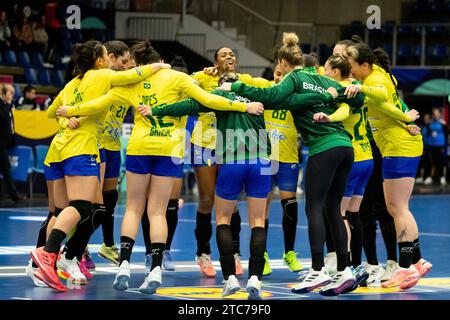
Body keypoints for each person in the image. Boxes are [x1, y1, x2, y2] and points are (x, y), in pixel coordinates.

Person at [57, 41, 263, 295]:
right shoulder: (178, 78)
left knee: (133, 208)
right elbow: (209, 99)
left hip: (140, 148)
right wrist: (245, 106)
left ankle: (123, 265)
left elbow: (100, 103)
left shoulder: (133, 84)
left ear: (142, 65)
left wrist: (70, 110)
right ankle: (155, 267)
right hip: (169, 150)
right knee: (157, 212)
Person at [222, 32, 366, 296]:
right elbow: (356, 98)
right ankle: (344, 271)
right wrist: (355, 91)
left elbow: (272, 96)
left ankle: (319, 270)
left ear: (282, 62)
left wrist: (235, 87)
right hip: (346, 148)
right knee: (334, 210)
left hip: (324, 148)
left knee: (314, 208)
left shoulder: (295, 78)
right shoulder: (323, 78)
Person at [30, 40, 170, 291]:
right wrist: (160, 67)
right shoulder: (105, 76)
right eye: (112, 57)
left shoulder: (73, 82)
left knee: (64, 210)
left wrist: (67, 118)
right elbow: (137, 73)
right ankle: (53, 254)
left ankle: (45, 262)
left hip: (60, 149)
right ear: (103, 60)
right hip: (83, 148)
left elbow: (54, 111)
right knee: (84, 206)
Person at [145, 72, 270, 299]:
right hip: (261, 160)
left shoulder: (217, 97)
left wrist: (156, 110)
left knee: (222, 218)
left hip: (232, 160)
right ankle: (255, 279)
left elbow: (185, 106)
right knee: (258, 221)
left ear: (221, 86)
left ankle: (230, 278)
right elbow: (284, 95)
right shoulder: (253, 94)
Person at [345, 42, 431, 289]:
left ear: (364, 65)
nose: (349, 70)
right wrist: (405, 117)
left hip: (398, 147)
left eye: (352, 65)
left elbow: (381, 96)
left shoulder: (373, 81)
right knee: (399, 207)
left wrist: (360, 86)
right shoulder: (378, 74)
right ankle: (417, 261)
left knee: (397, 208)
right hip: (399, 145)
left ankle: (405, 267)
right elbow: (386, 105)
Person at [189, 47, 269, 278]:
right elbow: (183, 82)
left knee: (230, 203)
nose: (229, 57)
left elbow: (270, 86)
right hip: (204, 143)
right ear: (214, 61)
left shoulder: (243, 80)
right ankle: (203, 253)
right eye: (223, 55)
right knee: (206, 199)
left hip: (231, 145)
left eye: (232, 54)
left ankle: (234, 253)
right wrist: (201, 73)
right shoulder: (203, 77)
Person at [262, 63, 303, 276]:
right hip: (265, 158)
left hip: (287, 158)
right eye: (278, 74)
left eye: (284, 75)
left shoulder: (295, 98)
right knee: (262, 206)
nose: (280, 78)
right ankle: (262, 254)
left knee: (290, 205)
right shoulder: (265, 91)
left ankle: (289, 252)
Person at [0, 84, 22, 203]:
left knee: (6, 169)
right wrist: (8, 104)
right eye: (11, 93)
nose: (12, 96)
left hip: (5, 143)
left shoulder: (7, 105)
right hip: (0, 144)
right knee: (6, 169)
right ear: (4, 93)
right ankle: (14, 195)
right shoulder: (3, 104)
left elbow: (10, 123)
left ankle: (13, 195)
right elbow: (3, 116)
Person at [422, 108, 448, 186]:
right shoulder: (430, 123)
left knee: (440, 162)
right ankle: (429, 177)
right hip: (431, 145)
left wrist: (445, 145)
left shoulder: (443, 123)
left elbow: (446, 134)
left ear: (440, 114)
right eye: (434, 113)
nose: (435, 114)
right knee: (430, 162)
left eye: (437, 113)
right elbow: (425, 133)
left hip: (440, 146)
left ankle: (442, 177)